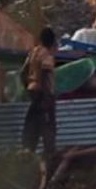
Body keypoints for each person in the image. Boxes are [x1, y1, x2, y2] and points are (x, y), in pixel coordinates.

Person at [20, 26, 58, 161]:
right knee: (48, 123)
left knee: (32, 122)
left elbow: (22, 73)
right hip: (44, 94)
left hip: (33, 92)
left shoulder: (33, 53)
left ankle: (27, 151)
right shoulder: (46, 55)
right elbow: (45, 72)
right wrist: (46, 94)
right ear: (52, 42)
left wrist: (28, 86)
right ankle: (49, 155)